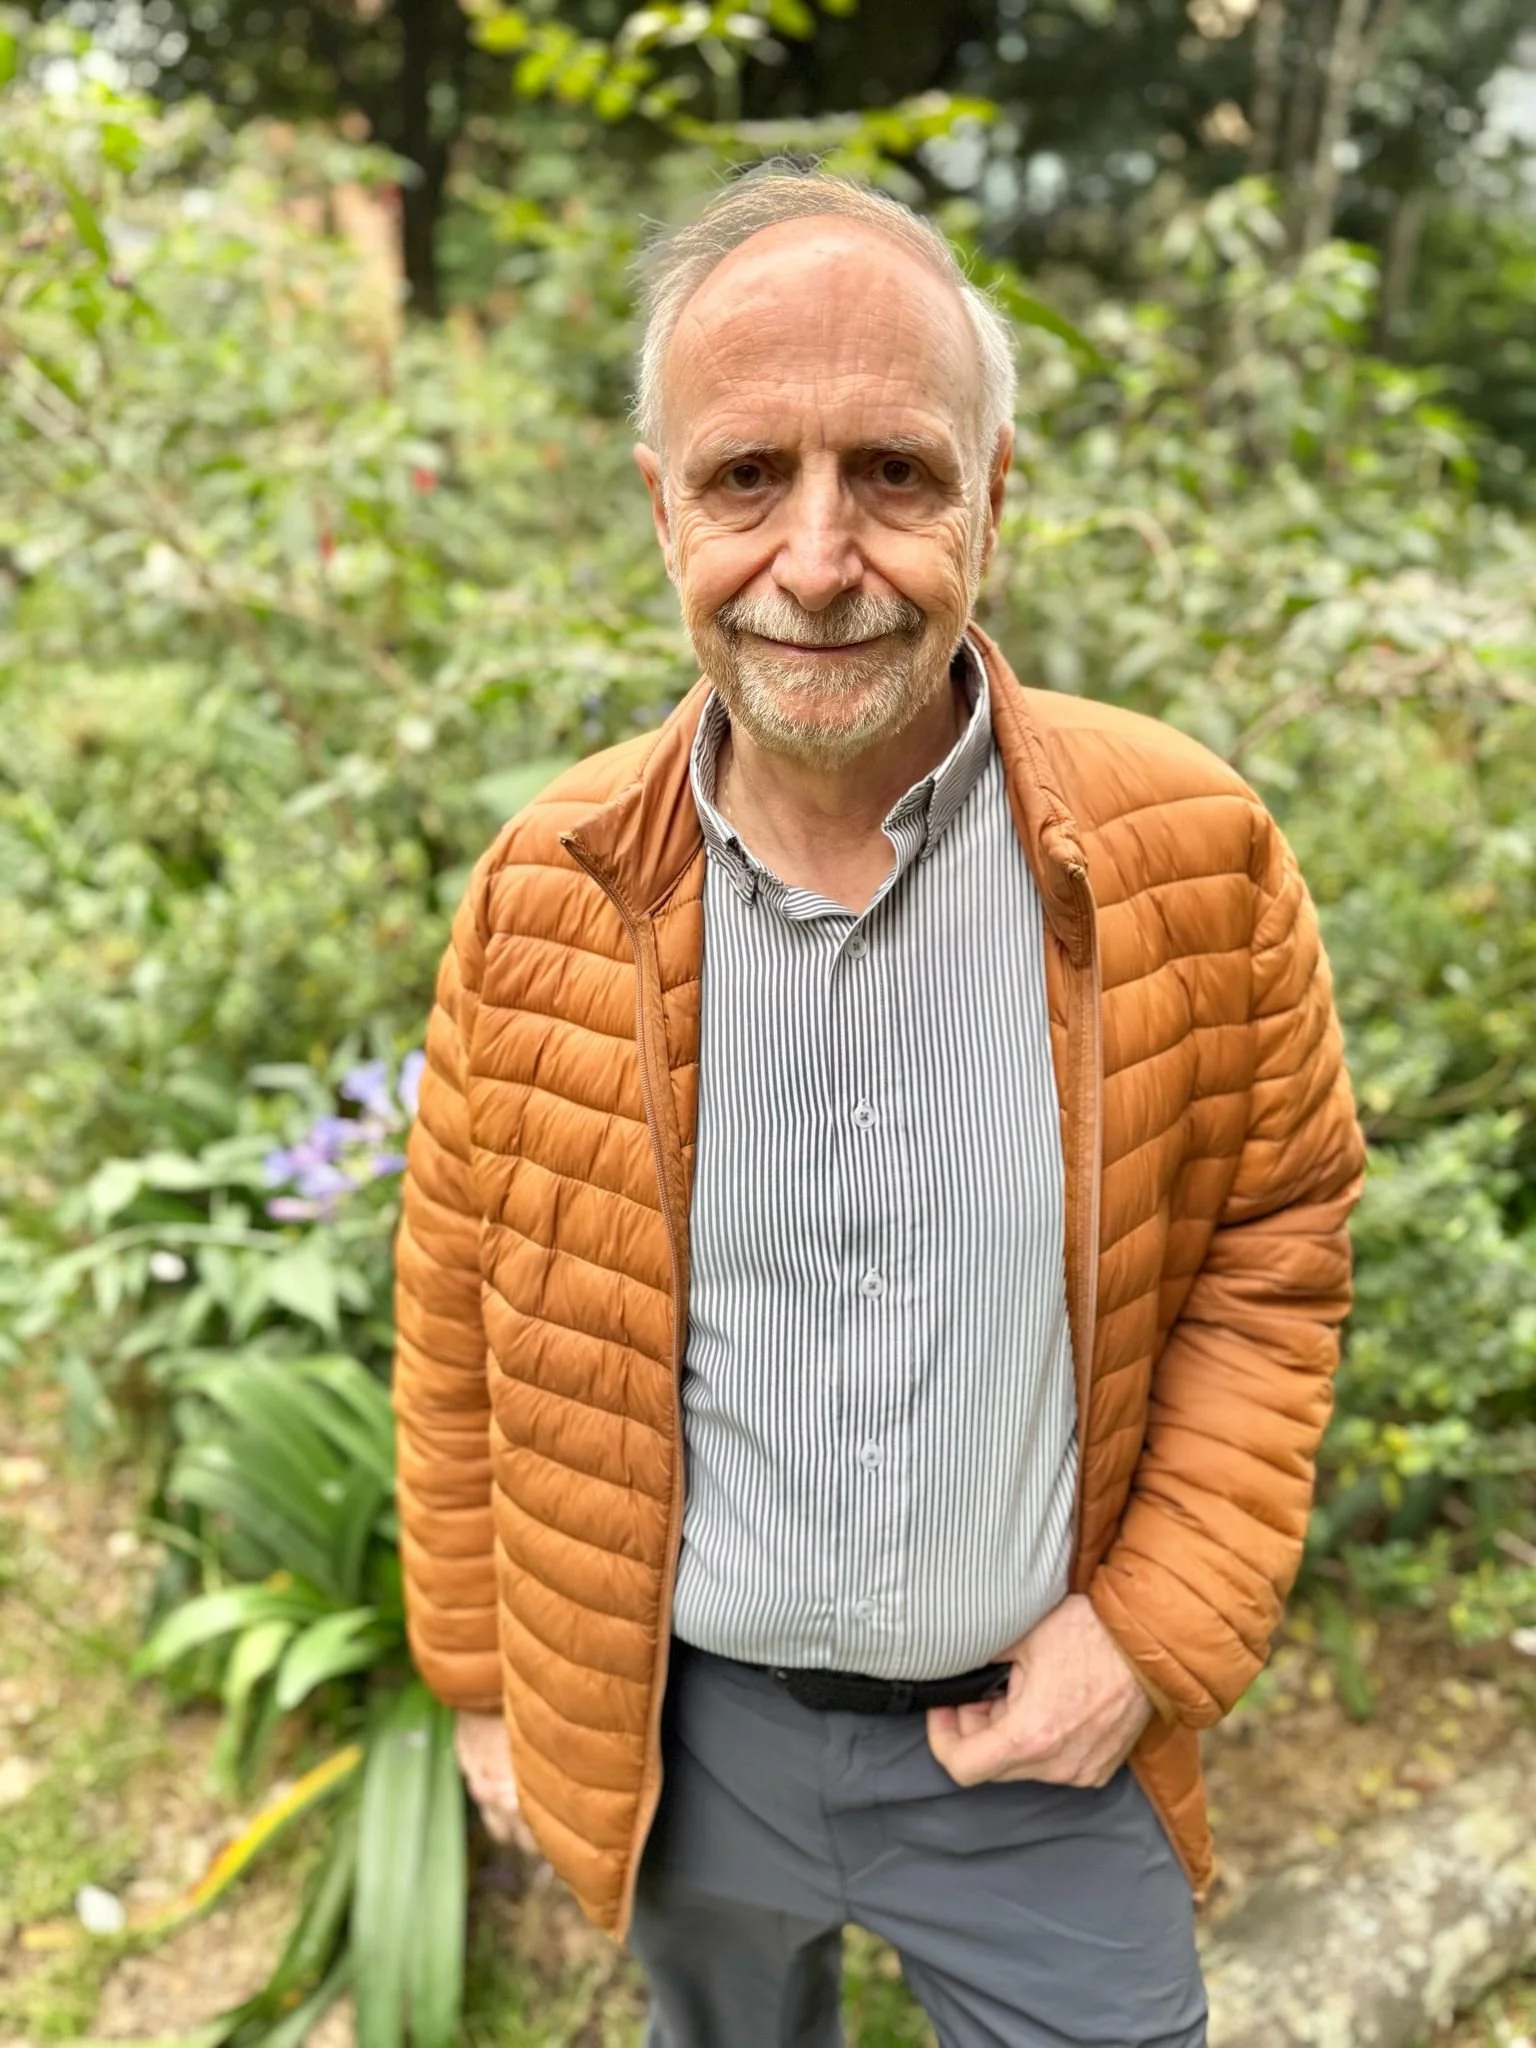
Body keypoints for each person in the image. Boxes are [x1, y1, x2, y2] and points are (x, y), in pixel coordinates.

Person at [390, 164, 1366, 2048]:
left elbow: (1276, 1243)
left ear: (994, 499)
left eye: (896, 475)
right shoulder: (546, 896)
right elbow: (456, 1310)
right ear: (660, 505)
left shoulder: (1187, 854)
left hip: (1045, 1752)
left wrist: (1150, 1636)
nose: (820, 559)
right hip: (693, 1749)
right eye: (749, 475)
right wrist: (492, 1684)